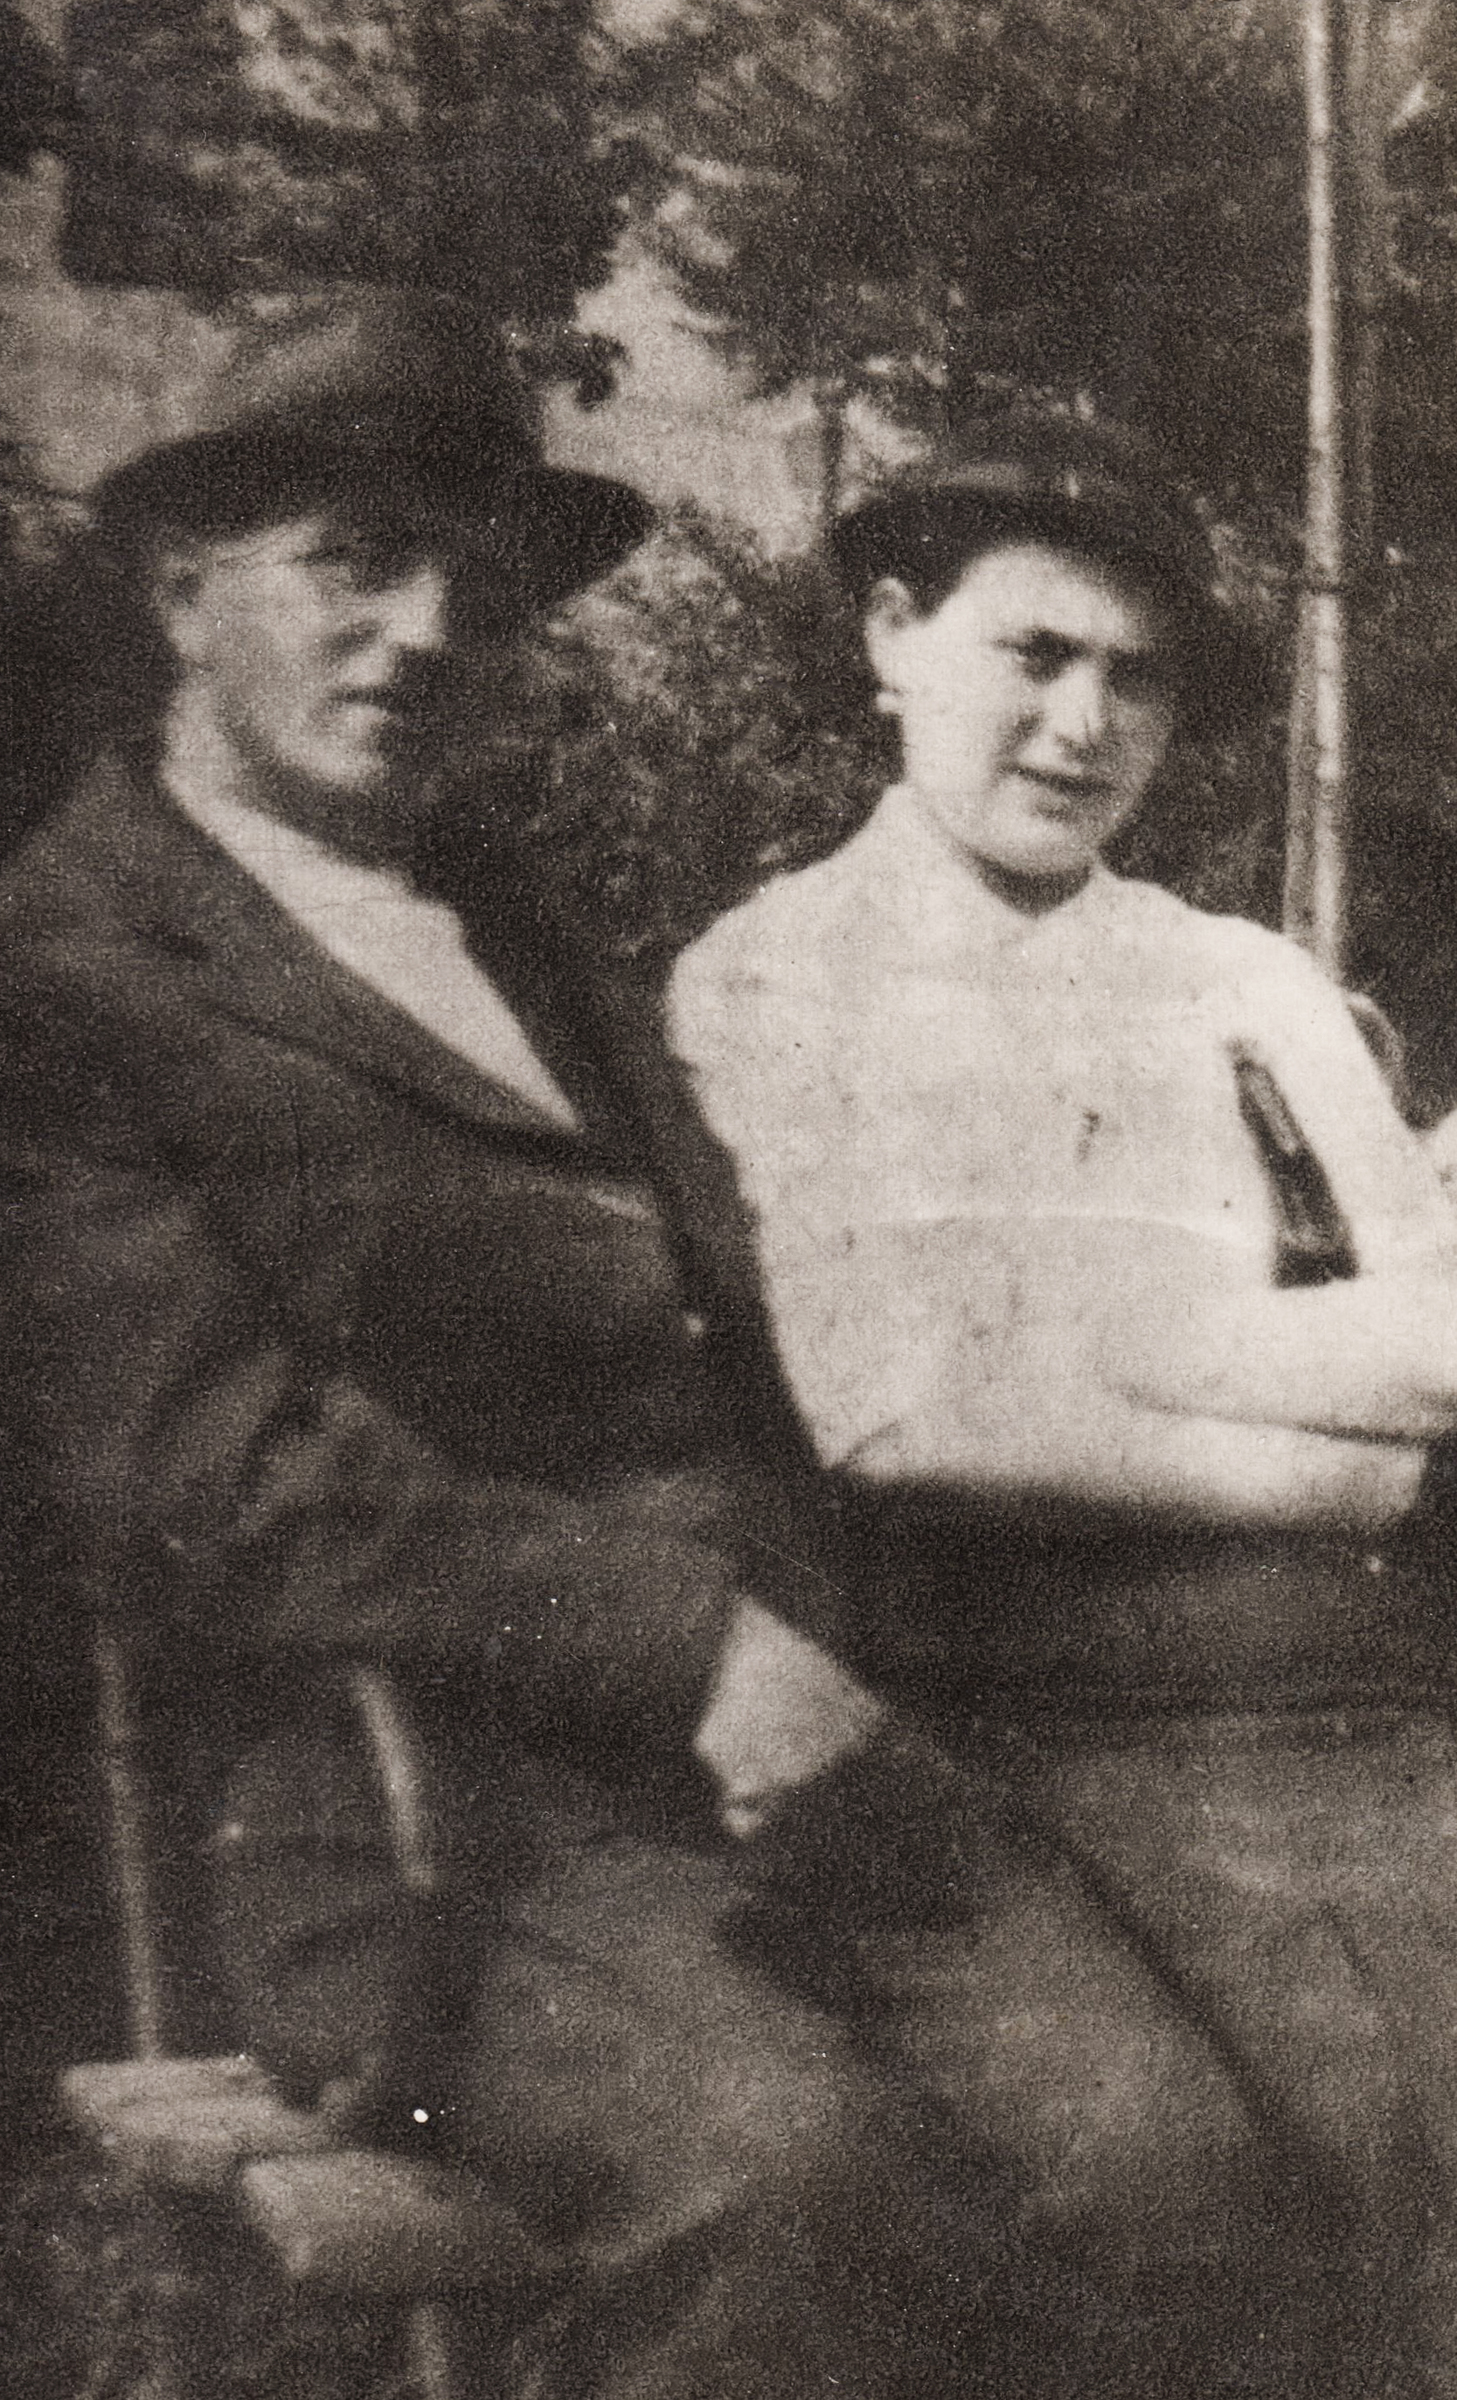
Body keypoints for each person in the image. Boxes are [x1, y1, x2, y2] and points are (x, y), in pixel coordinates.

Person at [0, 290, 966, 2399]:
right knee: (795, 2182)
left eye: (477, 582)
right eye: (353, 560)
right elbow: (223, 1475)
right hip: (411, 1823)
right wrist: (693, 1648)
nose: (428, 631)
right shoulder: (67, 978)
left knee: (1171, 2138)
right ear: (180, 592)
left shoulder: (518, 929)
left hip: (780, 1773)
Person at [668, 410, 1457, 2396]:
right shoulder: (778, 977)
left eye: (1138, 676)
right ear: (894, 634)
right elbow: (902, 1420)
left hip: (1357, 1703)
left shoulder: (1243, 982)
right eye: (1034, 652)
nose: (1083, 724)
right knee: (1274, 2175)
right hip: (1019, 1728)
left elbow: (1435, 1344)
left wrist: (1112, 1339)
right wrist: (1341, 1452)